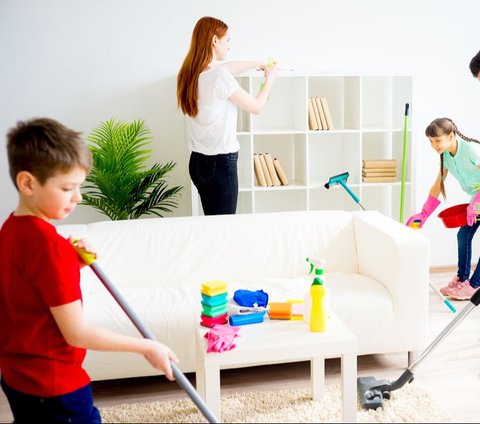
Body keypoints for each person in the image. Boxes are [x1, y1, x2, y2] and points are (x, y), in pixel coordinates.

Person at [0, 118, 179, 423]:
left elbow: (28, 288)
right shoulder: (49, 247)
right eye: (67, 188)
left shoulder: (11, 230)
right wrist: (146, 346)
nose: (78, 197)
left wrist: (72, 262)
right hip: (57, 389)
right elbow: (77, 334)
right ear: (28, 183)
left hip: (18, 378)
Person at [177, 16, 278, 215]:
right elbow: (256, 107)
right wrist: (270, 80)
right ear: (215, 40)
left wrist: (257, 63)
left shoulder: (190, 74)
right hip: (221, 165)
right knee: (224, 229)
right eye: (227, 40)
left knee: (213, 224)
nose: (229, 45)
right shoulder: (219, 77)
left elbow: (226, 68)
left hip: (198, 163)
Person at [406, 118, 480, 300]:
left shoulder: (469, 149)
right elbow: (438, 184)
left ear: (451, 135)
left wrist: (476, 204)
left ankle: (474, 286)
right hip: (476, 199)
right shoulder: (446, 156)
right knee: (463, 236)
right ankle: (462, 280)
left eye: (437, 140)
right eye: (431, 141)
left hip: (478, 200)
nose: (434, 145)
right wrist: (424, 214)